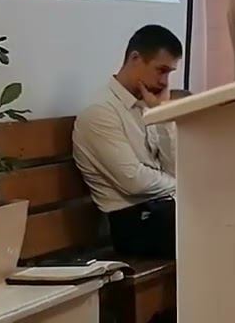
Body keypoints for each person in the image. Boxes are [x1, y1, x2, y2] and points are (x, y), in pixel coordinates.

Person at [72, 25, 183, 260]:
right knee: (215, 225)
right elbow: (134, 181)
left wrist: (163, 114)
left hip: (163, 211)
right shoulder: (100, 112)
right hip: (133, 223)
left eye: (169, 73)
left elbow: (174, 168)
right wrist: (182, 186)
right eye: (161, 70)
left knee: (226, 215)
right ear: (135, 59)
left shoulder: (147, 104)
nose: (164, 82)